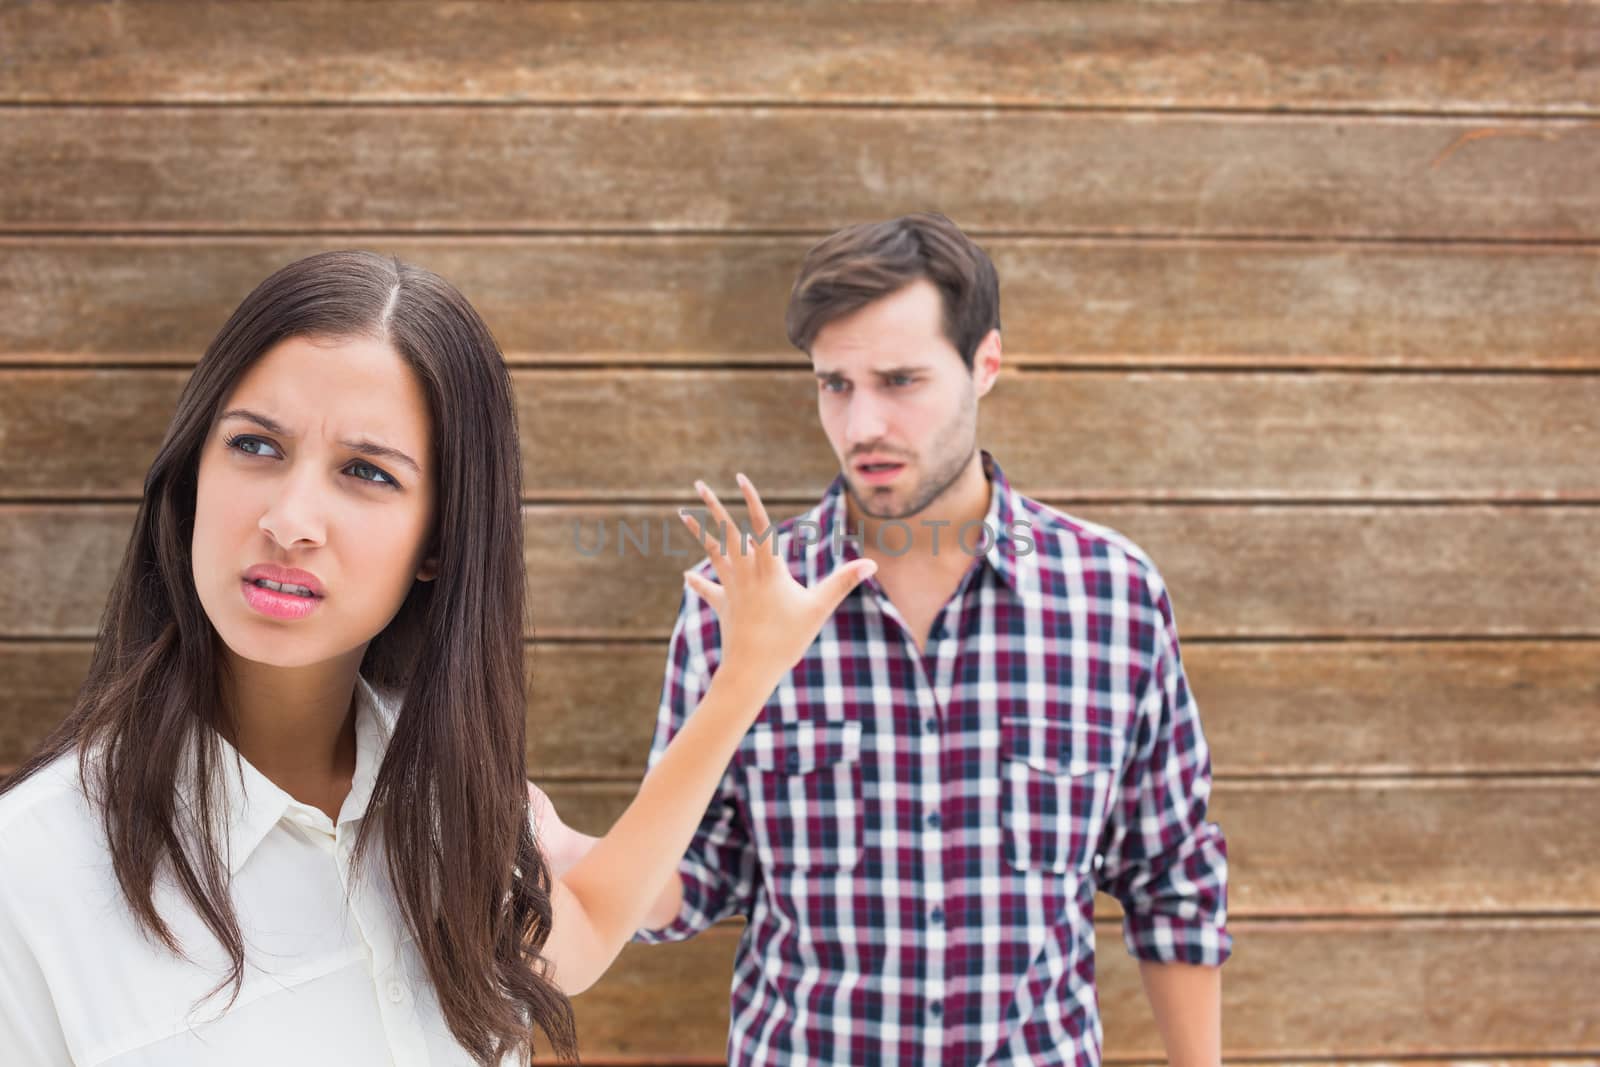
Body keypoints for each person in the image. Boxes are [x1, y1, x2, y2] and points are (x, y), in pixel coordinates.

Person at [0, 250, 875, 1066]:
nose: (290, 518)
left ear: (441, 540)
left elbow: (590, 926)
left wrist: (746, 676)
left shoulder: (449, 799)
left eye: (367, 472)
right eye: (256, 446)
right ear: (193, 471)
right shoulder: (31, 874)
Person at [534, 213, 1233, 1065]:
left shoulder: (1111, 596)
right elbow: (698, 879)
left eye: (901, 380)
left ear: (986, 365)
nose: (863, 421)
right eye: (835, 384)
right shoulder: (744, 603)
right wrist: (572, 852)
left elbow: (1173, 879)